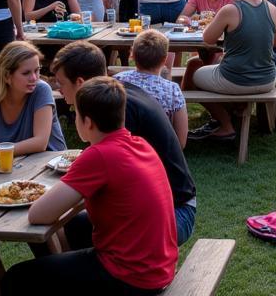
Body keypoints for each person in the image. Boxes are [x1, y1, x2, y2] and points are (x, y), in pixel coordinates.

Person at [1, 77, 178, 296]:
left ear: (88, 122)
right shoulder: (140, 144)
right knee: (75, 225)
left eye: (75, 114)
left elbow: (38, 214)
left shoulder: (99, 155)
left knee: (17, 278)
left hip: (132, 278)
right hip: (158, 268)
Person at [50, 41, 198, 244]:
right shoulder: (117, 94)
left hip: (175, 214)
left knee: (68, 226)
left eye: (61, 83)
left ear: (80, 83)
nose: (59, 91)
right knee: (72, 227)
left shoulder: (116, 110)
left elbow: (101, 177)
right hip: (169, 206)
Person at [188, 0, 276, 142]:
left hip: (236, 79)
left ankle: (225, 124)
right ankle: (233, 112)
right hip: (267, 79)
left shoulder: (230, 10)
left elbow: (208, 38)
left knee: (193, 69)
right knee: (210, 67)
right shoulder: (272, 8)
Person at [116, 30, 188, 146]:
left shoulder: (117, 82)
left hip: (123, 148)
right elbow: (181, 142)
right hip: (159, 154)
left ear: (132, 55)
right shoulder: (172, 90)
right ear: (165, 60)